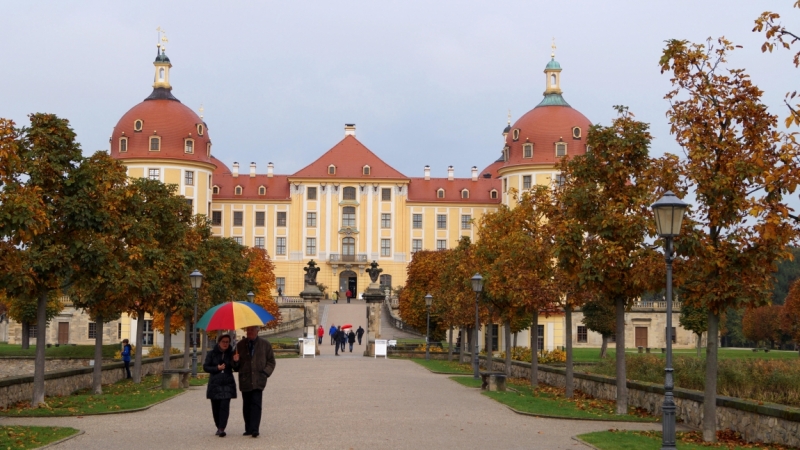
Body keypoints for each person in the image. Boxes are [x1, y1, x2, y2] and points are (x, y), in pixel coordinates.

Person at [232, 326, 276, 438]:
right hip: (245, 379)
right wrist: (235, 361)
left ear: (257, 331)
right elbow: (235, 367)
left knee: (256, 404)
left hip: (258, 379)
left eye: (252, 330)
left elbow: (271, 361)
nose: (249, 332)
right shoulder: (240, 345)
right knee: (246, 405)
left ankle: (255, 428)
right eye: (248, 330)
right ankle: (248, 428)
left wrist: (265, 373)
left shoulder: (265, 344)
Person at [203, 334, 237, 437]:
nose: (225, 344)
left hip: (227, 384)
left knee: (224, 406)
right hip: (215, 384)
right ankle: (218, 426)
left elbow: (236, 368)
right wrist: (216, 368)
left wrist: (236, 361)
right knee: (216, 407)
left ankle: (222, 428)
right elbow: (206, 367)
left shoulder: (232, 354)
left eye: (227, 342)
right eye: (224, 342)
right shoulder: (212, 354)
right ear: (219, 342)